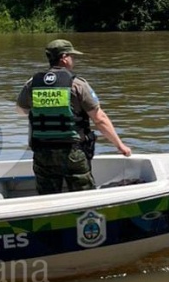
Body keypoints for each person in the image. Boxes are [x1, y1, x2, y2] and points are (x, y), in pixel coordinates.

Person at [15, 39, 131, 195]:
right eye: (71, 56)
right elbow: (100, 119)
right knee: (84, 197)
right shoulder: (77, 84)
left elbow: (21, 110)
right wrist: (120, 145)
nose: (73, 60)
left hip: (43, 153)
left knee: (47, 198)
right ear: (64, 58)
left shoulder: (32, 84)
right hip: (72, 152)